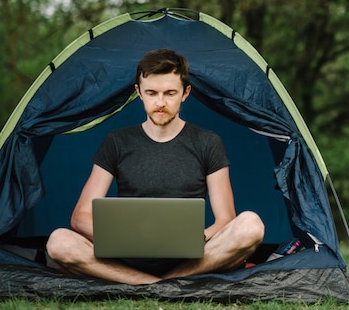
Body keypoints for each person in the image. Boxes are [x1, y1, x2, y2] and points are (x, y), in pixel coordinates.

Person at [46, 48, 265, 285]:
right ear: (139, 92)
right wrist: (126, 239)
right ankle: (155, 284)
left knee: (250, 226)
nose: (160, 103)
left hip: (191, 257)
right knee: (58, 242)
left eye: (170, 93)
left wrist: (195, 237)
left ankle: (155, 282)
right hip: (126, 254)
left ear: (185, 93)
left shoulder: (208, 142)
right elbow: (80, 217)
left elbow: (226, 219)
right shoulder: (117, 141)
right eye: (151, 93)